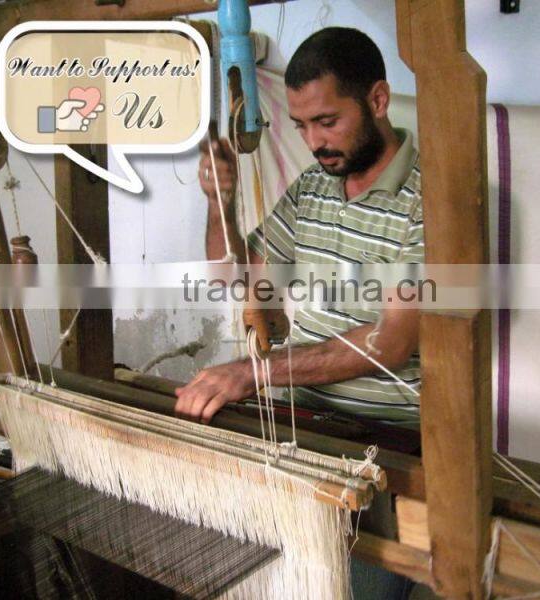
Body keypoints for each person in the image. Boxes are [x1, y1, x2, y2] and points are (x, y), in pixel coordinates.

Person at [176, 27, 424, 600]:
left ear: (378, 100)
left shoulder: (431, 200)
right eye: (301, 126)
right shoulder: (315, 187)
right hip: (297, 423)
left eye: (327, 121)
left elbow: (392, 341)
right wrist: (219, 203)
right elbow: (239, 283)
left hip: (384, 447)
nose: (315, 142)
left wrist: (254, 372)